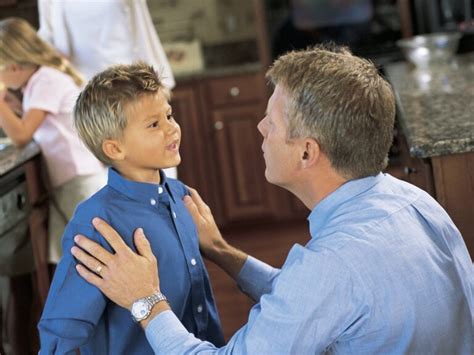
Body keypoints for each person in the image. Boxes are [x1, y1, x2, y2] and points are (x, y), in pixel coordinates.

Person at [72, 45, 473, 354]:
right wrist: (223, 252)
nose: (260, 127)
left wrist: (145, 300)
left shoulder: (332, 265)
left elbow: (323, 288)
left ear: (306, 152)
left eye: (273, 123)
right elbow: (318, 302)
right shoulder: (414, 201)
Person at [38, 63, 224, 354]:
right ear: (114, 149)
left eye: (169, 115)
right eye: (154, 124)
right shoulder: (96, 223)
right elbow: (63, 326)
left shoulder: (181, 196)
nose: (171, 128)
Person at [0, 17, 106, 265]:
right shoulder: (39, 81)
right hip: (73, 179)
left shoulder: (46, 80)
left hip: (79, 181)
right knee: (71, 254)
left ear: (13, 66)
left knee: (90, 254)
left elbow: (21, 135)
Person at [37, 0, 177, 179]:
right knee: (106, 189)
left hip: (131, 96)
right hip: (85, 104)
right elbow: (49, 45)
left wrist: (157, 95)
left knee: (155, 178)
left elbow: (142, 32)